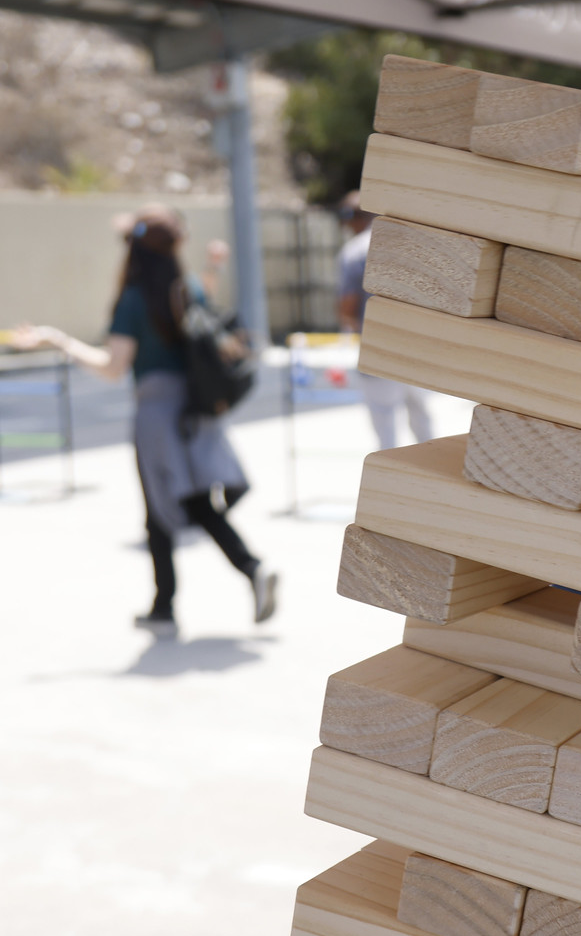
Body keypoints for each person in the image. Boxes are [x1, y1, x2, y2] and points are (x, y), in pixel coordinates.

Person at [14, 207, 277, 636]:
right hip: (195, 407)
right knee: (179, 503)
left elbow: (113, 366)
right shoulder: (186, 286)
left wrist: (58, 340)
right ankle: (171, 602)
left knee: (169, 502)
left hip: (157, 411)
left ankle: (235, 574)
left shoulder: (135, 298)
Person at [335, 192, 432, 450]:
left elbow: (347, 307)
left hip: (378, 351)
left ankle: (393, 486)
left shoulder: (353, 252)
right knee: (423, 422)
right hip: (415, 348)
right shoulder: (404, 245)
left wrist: (355, 327)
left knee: (386, 427)